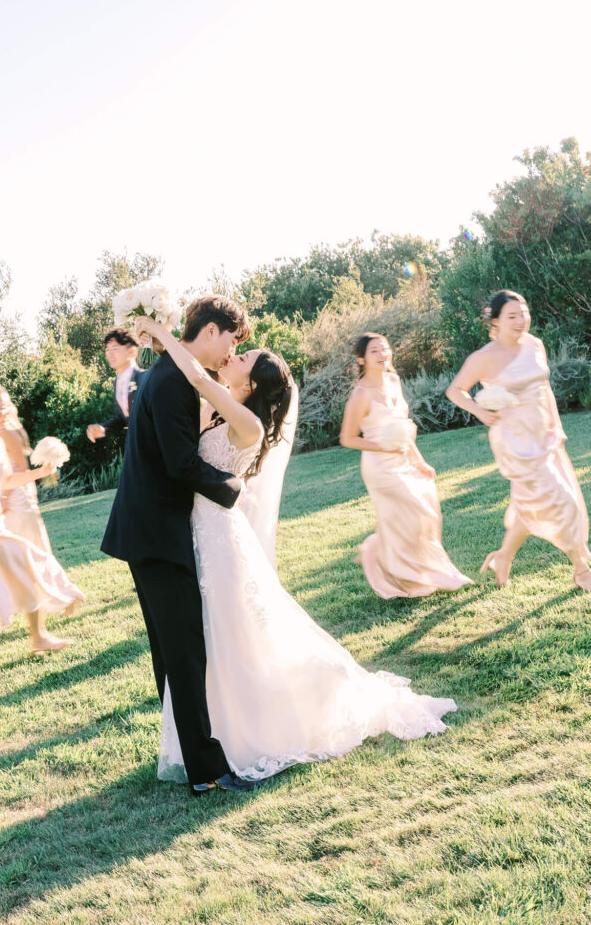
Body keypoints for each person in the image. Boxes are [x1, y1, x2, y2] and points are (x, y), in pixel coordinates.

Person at [136, 317, 458, 786]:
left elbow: (199, 379)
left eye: (242, 359)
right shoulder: (227, 414)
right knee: (217, 637)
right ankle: (219, 731)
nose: (233, 357)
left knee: (231, 635)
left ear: (251, 383)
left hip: (219, 537)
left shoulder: (245, 421)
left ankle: (254, 728)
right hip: (201, 534)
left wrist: (161, 332)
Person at [101, 296, 255, 794]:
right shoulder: (170, 382)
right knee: (184, 651)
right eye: (231, 340)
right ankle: (207, 771)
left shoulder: (167, 374)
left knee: (172, 651)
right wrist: (234, 489)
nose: (230, 351)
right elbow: (180, 463)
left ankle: (182, 751)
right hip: (157, 531)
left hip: (148, 528)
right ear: (210, 331)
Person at [446, 290, 591, 590]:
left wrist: (557, 427)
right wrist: (479, 412)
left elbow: (544, 387)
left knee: (534, 502)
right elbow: (455, 390)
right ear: (496, 321)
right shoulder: (483, 358)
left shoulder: (535, 344)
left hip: (543, 432)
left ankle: (504, 556)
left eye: (523, 313)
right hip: (515, 440)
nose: (521, 320)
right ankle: (582, 568)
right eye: (512, 315)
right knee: (564, 501)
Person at [0, 379, 84, 675]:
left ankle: (54, 610)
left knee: (17, 564)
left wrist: (40, 472)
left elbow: (5, 482)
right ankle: (63, 598)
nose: (6, 410)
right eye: (0, 407)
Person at [340, 334, 471, 599]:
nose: (383, 354)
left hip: (402, 458)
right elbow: (347, 438)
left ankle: (380, 553)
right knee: (418, 510)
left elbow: (402, 427)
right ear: (361, 358)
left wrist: (419, 460)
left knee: (426, 514)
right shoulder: (361, 394)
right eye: (375, 350)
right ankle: (412, 571)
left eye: (385, 348)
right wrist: (382, 446)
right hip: (380, 467)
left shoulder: (393, 381)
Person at [86, 328, 146, 444]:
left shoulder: (145, 378)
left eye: (115, 349)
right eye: (108, 349)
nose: (110, 354)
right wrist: (103, 429)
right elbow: (123, 419)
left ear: (132, 351)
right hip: (135, 448)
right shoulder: (116, 382)